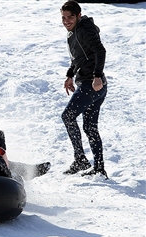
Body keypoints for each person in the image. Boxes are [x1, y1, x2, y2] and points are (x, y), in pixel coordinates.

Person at [60, 1, 108, 178]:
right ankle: (99, 167)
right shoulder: (75, 32)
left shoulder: (84, 30)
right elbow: (79, 58)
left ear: (79, 15)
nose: (66, 21)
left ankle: (80, 159)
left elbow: (100, 51)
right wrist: (70, 75)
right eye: (63, 18)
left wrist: (96, 75)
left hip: (92, 84)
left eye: (70, 17)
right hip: (96, 85)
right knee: (89, 127)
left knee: (68, 116)